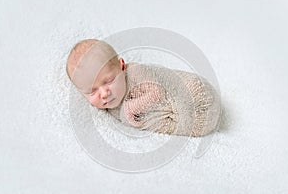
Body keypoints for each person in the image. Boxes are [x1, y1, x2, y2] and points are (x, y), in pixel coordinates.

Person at [66, 39, 221, 137]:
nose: (104, 93)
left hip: (198, 96)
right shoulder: (110, 106)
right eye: (92, 91)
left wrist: (130, 109)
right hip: (186, 121)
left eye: (109, 80)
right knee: (168, 124)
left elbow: (157, 92)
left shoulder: (135, 73)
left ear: (122, 66)